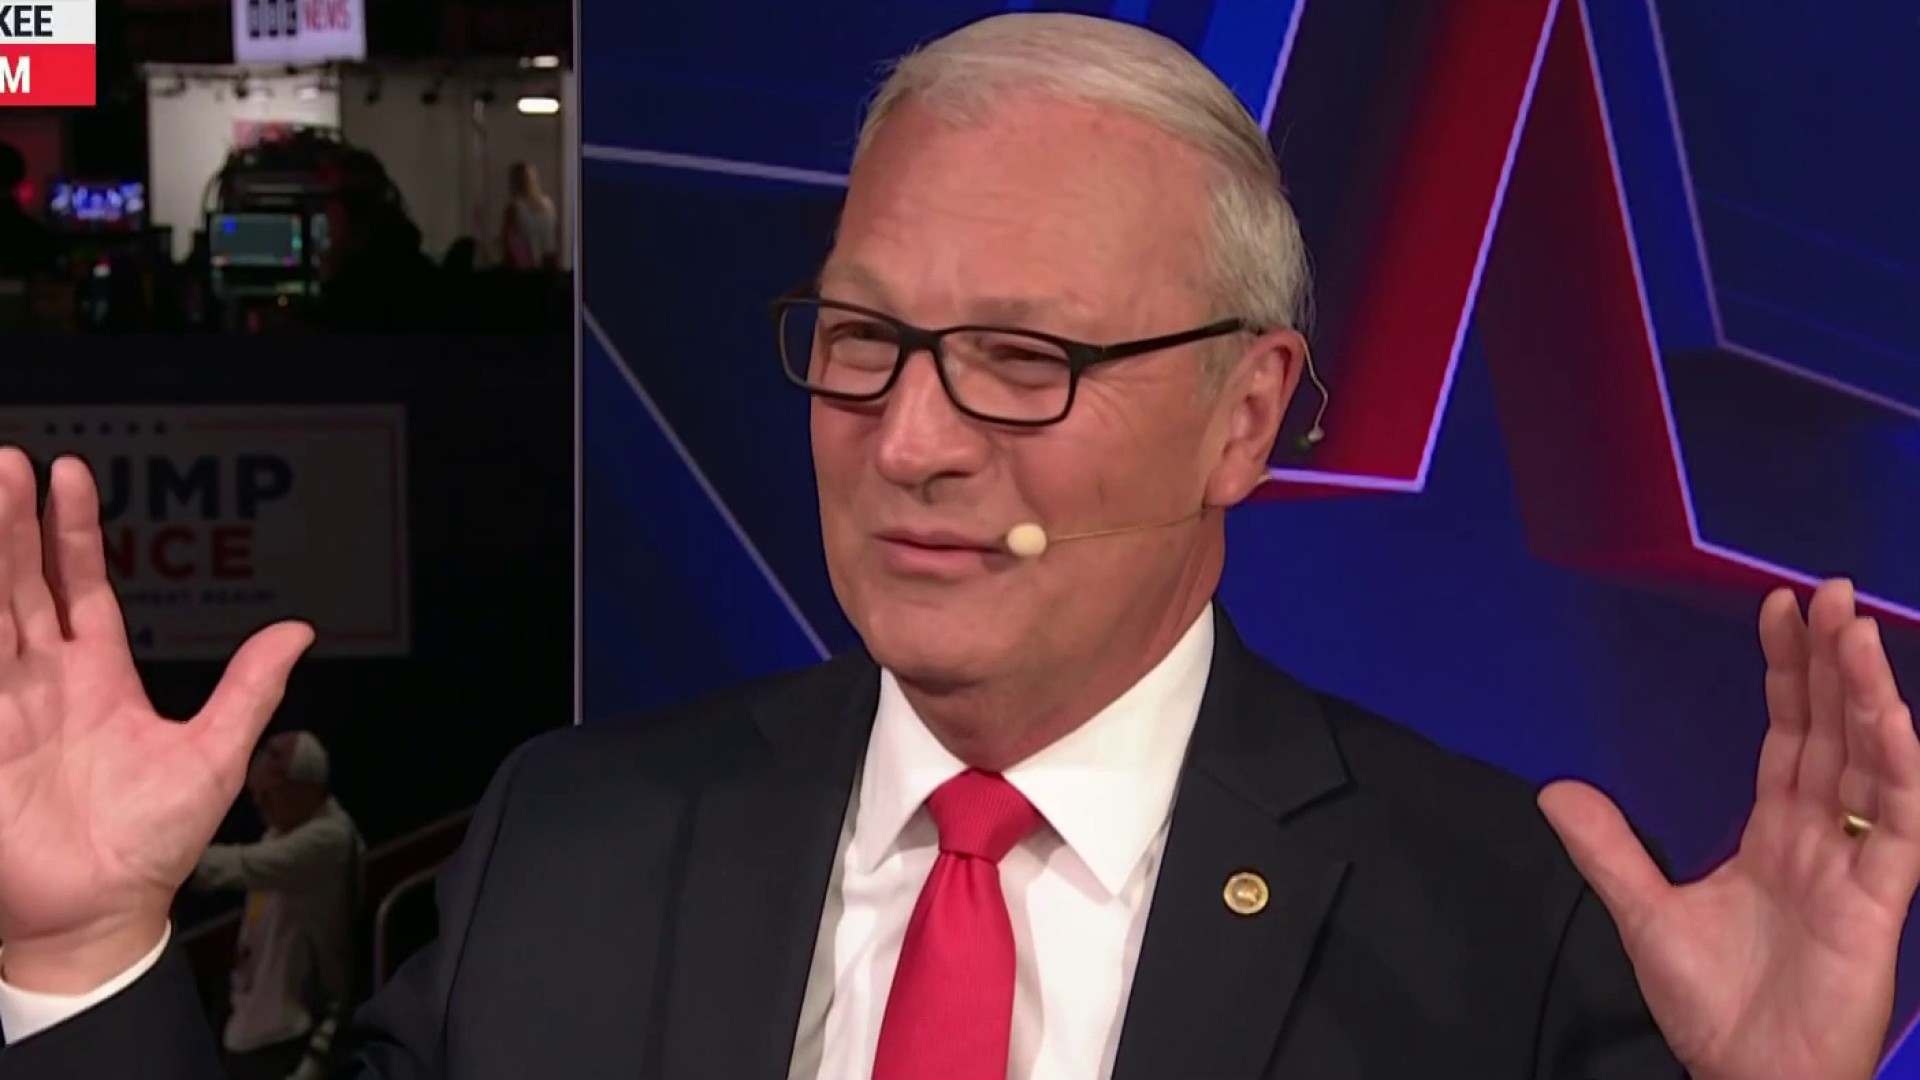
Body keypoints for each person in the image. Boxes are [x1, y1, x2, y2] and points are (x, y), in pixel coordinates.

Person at [0, 13, 1914, 1080]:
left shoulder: (1504, 923)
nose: (907, 441)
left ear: (1246, 414)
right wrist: (82, 959)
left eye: (1024, 359)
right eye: (864, 338)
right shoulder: (570, 844)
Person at [190, 731, 364, 1080]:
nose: (260, 804)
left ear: (306, 788)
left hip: (289, 1036)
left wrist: (168, 857)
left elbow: (236, 867)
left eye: (269, 795)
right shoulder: (278, 833)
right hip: (246, 1033)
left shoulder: (329, 839)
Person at [499, 162, 557, 271]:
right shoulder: (548, 204)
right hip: (549, 262)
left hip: (524, 264)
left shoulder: (514, 207)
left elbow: (505, 241)